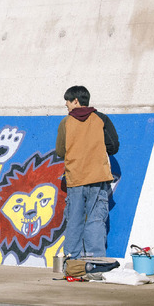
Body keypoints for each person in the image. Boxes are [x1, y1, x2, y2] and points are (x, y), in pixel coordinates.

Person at [55, 86, 119, 259]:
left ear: (75, 100)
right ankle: (96, 262)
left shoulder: (65, 122)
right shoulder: (101, 119)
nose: (66, 106)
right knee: (96, 220)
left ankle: (72, 262)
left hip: (75, 179)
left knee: (74, 221)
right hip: (98, 179)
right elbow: (114, 146)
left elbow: (60, 151)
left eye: (67, 102)